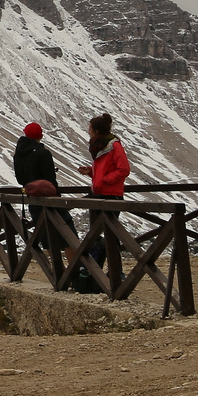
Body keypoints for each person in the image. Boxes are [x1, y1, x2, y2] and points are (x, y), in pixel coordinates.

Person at [74, 113, 130, 293]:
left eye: (89, 129)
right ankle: (96, 273)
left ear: (96, 131)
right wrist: (91, 172)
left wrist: (104, 180)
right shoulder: (100, 148)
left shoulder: (114, 146)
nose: (88, 132)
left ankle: (117, 274)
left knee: (110, 236)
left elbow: (124, 169)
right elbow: (109, 170)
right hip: (99, 194)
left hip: (111, 195)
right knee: (97, 236)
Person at [12, 122, 66, 261]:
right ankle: (75, 271)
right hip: (49, 198)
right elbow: (50, 178)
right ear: (40, 136)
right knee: (67, 232)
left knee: (45, 233)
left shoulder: (19, 154)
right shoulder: (43, 153)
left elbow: (20, 178)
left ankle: (58, 269)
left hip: (32, 198)